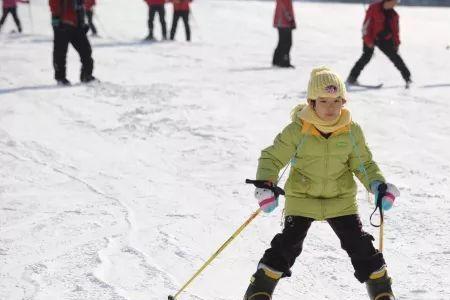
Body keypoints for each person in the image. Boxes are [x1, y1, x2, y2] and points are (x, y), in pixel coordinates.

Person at [244, 67, 400, 300]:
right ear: (311, 101)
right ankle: (260, 289)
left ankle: (381, 290)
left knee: (359, 244)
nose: (331, 107)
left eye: (337, 100)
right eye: (324, 100)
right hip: (302, 198)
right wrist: (266, 185)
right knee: (288, 244)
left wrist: (377, 185)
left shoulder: (350, 130)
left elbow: (363, 164)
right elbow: (273, 157)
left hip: (340, 200)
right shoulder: (298, 129)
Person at [347, 0, 411, 88]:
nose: (395, 4)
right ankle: (352, 78)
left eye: (396, 2)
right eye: (394, 2)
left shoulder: (394, 15)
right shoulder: (374, 8)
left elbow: (396, 32)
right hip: (370, 37)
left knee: (396, 58)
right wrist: (368, 40)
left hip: (385, 40)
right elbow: (366, 26)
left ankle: (408, 78)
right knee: (366, 57)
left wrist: (396, 44)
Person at [49, 0, 96, 85]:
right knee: (60, 51)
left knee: (86, 50)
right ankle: (60, 78)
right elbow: (53, 2)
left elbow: (84, 3)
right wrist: (56, 18)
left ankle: (86, 75)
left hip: (77, 23)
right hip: (62, 22)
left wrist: (82, 22)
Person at [272, 0, 295, 68]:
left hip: (282, 22)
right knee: (287, 43)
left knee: (282, 42)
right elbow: (284, 8)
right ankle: (283, 61)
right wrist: (290, 18)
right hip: (284, 22)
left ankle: (276, 61)